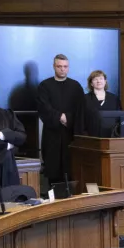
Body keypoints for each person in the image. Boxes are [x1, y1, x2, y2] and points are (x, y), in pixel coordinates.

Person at [37, 54, 85, 183]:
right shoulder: (45, 86)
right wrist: (60, 117)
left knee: (72, 170)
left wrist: (67, 118)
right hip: (52, 134)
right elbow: (44, 108)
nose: (62, 69)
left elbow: (81, 110)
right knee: (53, 170)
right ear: (54, 67)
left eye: (65, 66)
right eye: (59, 66)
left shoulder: (76, 86)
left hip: (71, 134)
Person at [80, 70, 122, 137]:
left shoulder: (114, 98)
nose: (98, 81)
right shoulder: (84, 99)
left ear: (105, 82)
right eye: (95, 79)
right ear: (91, 83)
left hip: (111, 136)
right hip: (91, 137)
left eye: (101, 78)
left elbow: (119, 119)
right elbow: (81, 120)